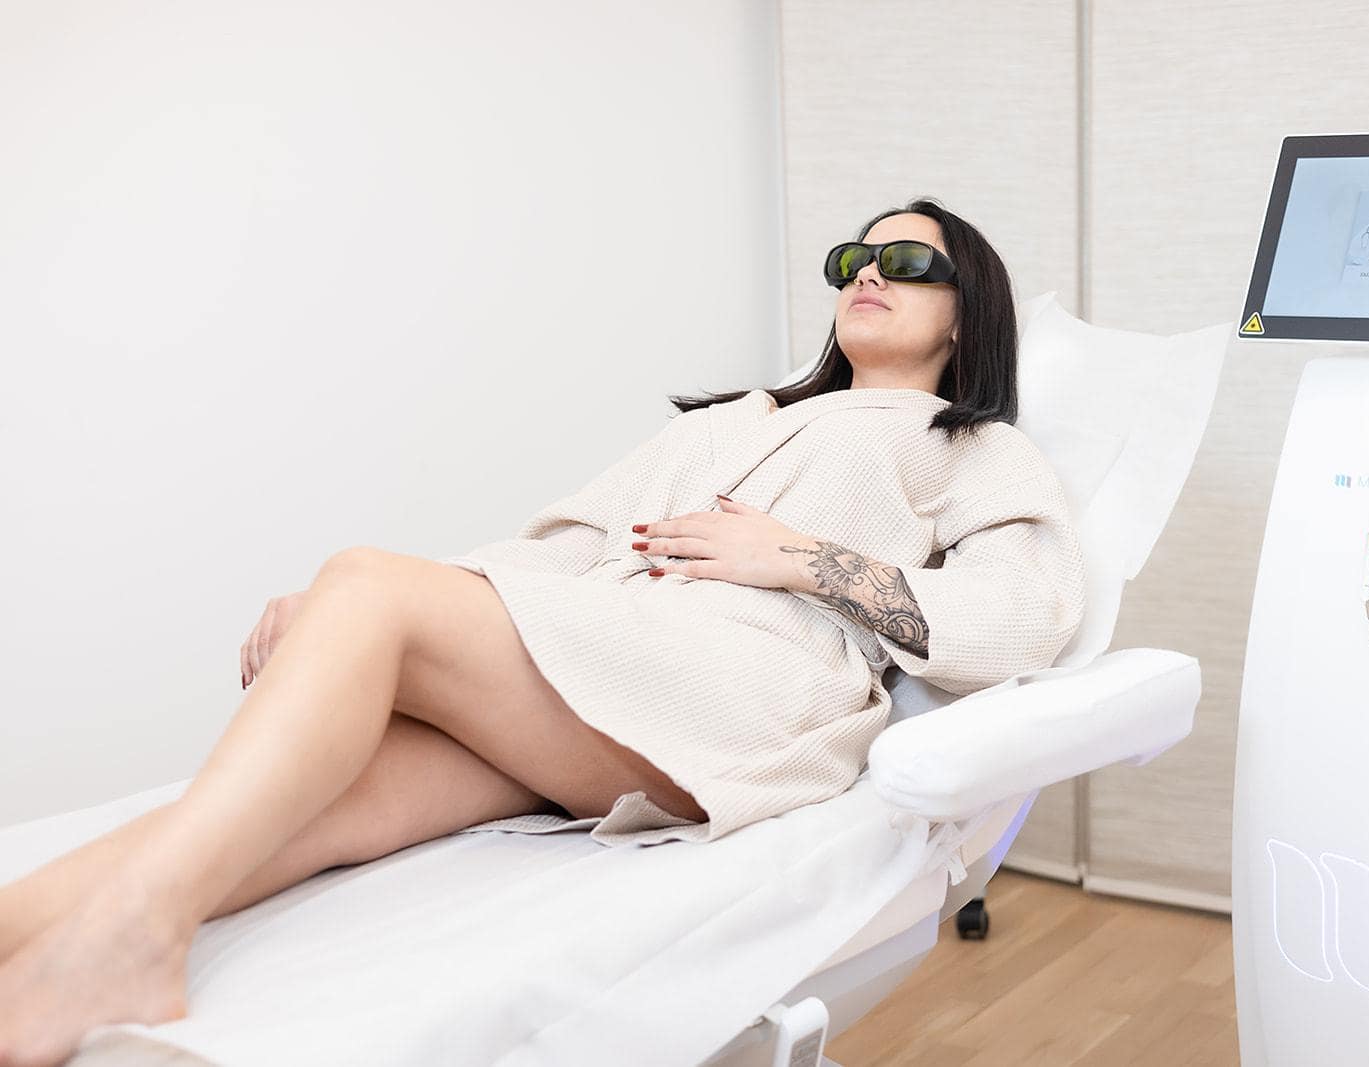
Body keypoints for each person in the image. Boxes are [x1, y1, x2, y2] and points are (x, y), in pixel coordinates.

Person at [0, 197, 1087, 1062]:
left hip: (740, 691)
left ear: (967, 313)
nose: (866, 273)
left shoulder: (969, 446)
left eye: (906, 263)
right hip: (604, 666)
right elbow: (564, 550)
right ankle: (37, 933)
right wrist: (352, 617)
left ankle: (137, 939)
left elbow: (1021, 623)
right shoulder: (734, 422)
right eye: (853, 257)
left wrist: (799, 556)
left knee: (366, 582)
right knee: (319, 798)